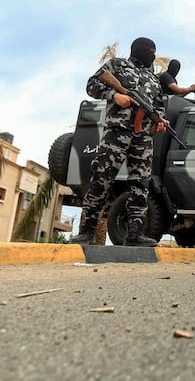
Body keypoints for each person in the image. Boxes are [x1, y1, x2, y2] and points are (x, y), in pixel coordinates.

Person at [70, 37, 170, 247]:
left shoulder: (153, 79)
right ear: (142, 49)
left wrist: (159, 121)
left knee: (141, 184)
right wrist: (114, 95)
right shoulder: (117, 66)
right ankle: (87, 232)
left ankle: (135, 233)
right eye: (151, 50)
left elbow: (159, 106)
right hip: (117, 133)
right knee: (101, 179)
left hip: (143, 137)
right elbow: (92, 84)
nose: (153, 54)